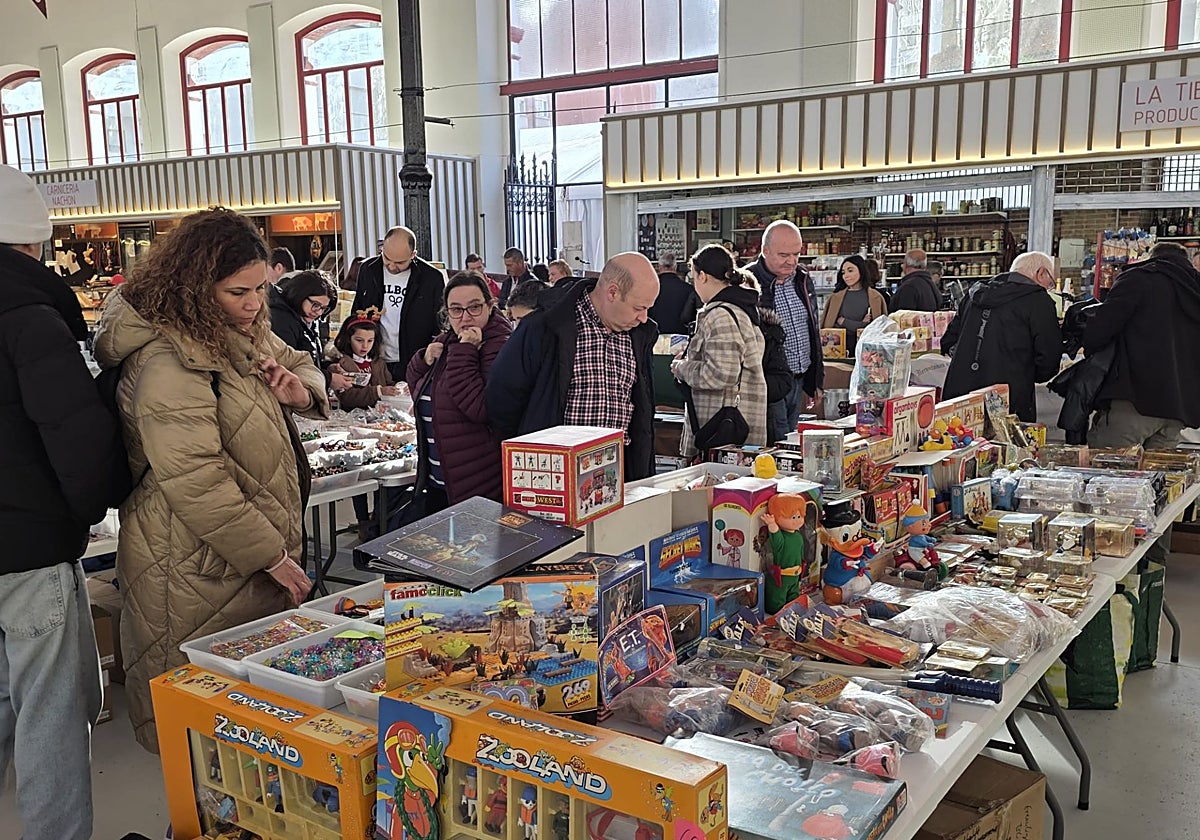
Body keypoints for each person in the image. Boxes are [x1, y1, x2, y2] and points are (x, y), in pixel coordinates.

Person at [93, 208, 328, 752]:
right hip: (194, 567)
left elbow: (303, 360)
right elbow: (197, 479)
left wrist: (303, 390)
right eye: (237, 291)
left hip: (235, 562)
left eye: (260, 290)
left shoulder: (234, 330)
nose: (253, 304)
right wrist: (273, 555)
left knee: (246, 743)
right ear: (196, 287)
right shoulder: (168, 362)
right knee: (201, 740)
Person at [0, 164, 117, 840]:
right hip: (27, 546)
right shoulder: (30, 315)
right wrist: (92, 506)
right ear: (33, 245)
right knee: (51, 712)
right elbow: (73, 431)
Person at [486, 253, 660, 480]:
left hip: (618, 474)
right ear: (613, 292)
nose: (644, 317)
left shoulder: (639, 335)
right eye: (639, 307)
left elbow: (642, 413)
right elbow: (501, 398)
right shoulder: (545, 326)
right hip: (555, 475)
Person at [1084, 240, 1200, 571]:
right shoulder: (1195, 287)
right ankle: (1152, 569)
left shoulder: (1139, 278)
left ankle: (1112, 574)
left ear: (1152, 256)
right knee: (1159, 490)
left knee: (1114, 486)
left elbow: (1099, 332)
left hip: (1132, 402)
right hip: (1176, 410)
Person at [407, 271, 513, 512]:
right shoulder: (449, 342)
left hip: (479, 487)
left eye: (474, 307)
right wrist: (422, 360)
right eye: (456, 309)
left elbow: (480, 408)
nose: (465, 318)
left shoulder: (501, 346)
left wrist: (466, 352)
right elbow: (418, 390)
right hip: (440, 482)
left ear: (490, 305)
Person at [940, 251, 1062, 422]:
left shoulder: (973, 295)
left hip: (960, 395)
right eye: (1050, 283)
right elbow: (1048, 357)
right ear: (1041, 273)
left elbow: (948, 342)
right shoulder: (1039, 302)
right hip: (1009, 397)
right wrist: (1028, 375)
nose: (1049, 288)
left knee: (960, 442)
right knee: (1006, 447)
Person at [671, 244, 767, 459]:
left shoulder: (720, 315)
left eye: (692, 276)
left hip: (720, 433)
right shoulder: (740, 309)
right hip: (732, 431)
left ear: (702, 276)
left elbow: (721, 374)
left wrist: (682, 367)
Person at [746, 220, 824, 443]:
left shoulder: (802, 279)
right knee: (777, 442)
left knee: (791, 440)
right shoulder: (747, 282)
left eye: (796, 254)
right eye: (783, 255)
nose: (791, 261)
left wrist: (815, 379)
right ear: (765, 250)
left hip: (799, 379)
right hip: (768, 381)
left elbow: (812, 329)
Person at [332, 311, 400, 541]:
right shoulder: (343, 363)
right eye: (359, 340)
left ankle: (379, 518)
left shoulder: (378, 363)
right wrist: (379, 391)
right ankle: (363, 521)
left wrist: (396, 388)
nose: (365, 346)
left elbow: (388, 383)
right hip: (354, 427)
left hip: (381, 426)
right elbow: (350, 397)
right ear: (348, 339)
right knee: (359, 475)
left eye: (370, 341)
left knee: (383, 474)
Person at [352, 225, 447, 382]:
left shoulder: (432, 278)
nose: (391, 266)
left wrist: (429, 358)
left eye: (400, 262)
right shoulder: (368, 270)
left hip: (416, 359)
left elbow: (440, 323)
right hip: (374, 358)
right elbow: (358, 311)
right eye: (387, 258)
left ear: (413, 255)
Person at [270, 270, 343, 382]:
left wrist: (326, 367)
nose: (318, 312)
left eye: (323, 308)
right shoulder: (281, 320)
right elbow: (288, 367)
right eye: (316, 305)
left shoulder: (308, 319)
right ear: (300, 295)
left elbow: (309, 359)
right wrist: (328, 379)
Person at [820, 255, 888, 354]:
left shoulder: (875, 297)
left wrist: (844, 321)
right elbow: (830, 329)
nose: (846, 275)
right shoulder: (835, 298)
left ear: (861, 270)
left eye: (850, 271)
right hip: (837, 351)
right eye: (843, 272)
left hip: (867, 352)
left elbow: (875, 328)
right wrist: (861, 324)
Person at [650, 252, 701, 335]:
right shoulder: (689, 289)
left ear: (659, 267)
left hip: (655, 336)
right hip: (681, 338)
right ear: (675, 267)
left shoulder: (650, 289)